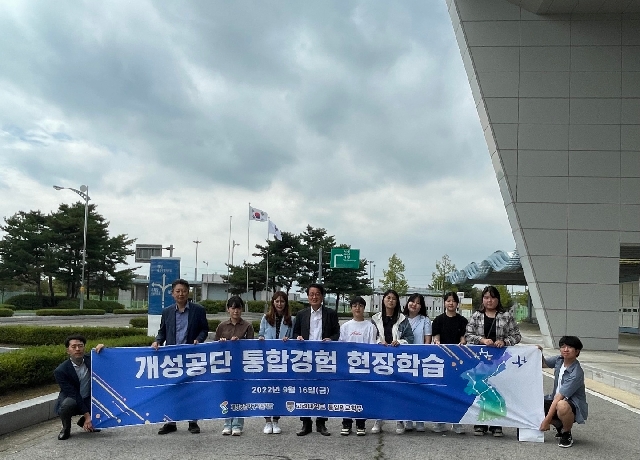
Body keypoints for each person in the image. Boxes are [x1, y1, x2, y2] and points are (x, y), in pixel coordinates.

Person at [152, 278, 209, 435]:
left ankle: (193, 422)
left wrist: (199, 339)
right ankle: (171, 422)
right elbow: (162, 331)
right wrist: (157, 341)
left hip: (191, 356)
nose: (181, 294)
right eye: (177, 291)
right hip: (172, 358)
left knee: (192, 389)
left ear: (188, 292)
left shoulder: (198, 310)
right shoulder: (167, 312)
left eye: (184, 291)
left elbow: (204, 329)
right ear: (172, 293)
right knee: (172, 390)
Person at [465, 285, 521, 437]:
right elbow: (468, 335)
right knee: (481, 389)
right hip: (480, 361)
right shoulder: (476, 316)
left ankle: (497, 423)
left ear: (498, 299)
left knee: (498, 389)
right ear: (482, 299)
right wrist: (482, 340)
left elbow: (516, 335)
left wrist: (504, 341)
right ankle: (480, 423)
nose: (489, 300)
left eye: (492, 297)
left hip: (499, 362)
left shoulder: (506, 316)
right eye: (486, 297)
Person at [292, 283, 340, 436]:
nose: (314, 297)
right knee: (305, 390)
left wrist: (331, 339)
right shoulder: (301, 314)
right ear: (308, 297)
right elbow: (295, 333)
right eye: (311, 294)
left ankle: (321, 423)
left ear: (322, 296)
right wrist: (298, 337)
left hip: (324, 357)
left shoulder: (331, 314)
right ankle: (306, 423)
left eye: (317, 294)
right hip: (305, 357)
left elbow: (337, 333)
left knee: (323, 390)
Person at [370, 289, 414, 434]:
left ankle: (399, 419)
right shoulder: (375, 318)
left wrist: (400, 342)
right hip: (379, 359)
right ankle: (379, 419)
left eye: (394, 298)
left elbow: (410, 338)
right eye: (388, 298)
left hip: (397, 359)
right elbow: (371, 336)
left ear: (397, 302)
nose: (391, 301)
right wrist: (379, 342)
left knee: (397, 389)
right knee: (379, 389)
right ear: (383, 300)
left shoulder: (402, 319)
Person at [215, 295, 255, 436]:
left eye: (238, 308)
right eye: (233, 308)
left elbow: (251, 347)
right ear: (228, 309)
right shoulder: (222, 326)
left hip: (240, 366)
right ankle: (227, 423)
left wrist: (240, 343)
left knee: (239, 395)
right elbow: (214, 347)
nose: (235, 311)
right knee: (226, 395)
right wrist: (222, 342)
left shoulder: (247, 326)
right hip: (225, 366)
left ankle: (237, 424)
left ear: (242, 309)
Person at [539, 336, 588, 448]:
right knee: (534, 402)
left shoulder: (576, 373)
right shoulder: (559, 360)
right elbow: (543, 364)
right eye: (563, 347)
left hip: (571, 405)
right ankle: (558, 424)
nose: (565, 349)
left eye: (570, 347)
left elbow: (558, 398)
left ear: (577, 351)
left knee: (562, 405)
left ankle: (566, 433)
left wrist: (546, 421)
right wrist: (538, 352)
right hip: (555, 400)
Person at [339, 296, 377, 436]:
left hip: (364, 367)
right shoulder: (345, 326)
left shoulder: (370, 327)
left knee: (362, 396)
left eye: (360, 305)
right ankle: (346, 423)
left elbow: (372, 347)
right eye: (354, 305)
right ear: (351, 308)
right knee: (347, 395)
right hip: (348, 367)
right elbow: (341, 347)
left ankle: (361, 424)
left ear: (364, 308)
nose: (357, 308)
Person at [54, 334, 104, 440]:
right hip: (72, 397)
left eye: (80, 346)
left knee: (107, 400)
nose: (77, 349)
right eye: (74, 346)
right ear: (68, 350)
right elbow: (74, 394)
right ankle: (66, 428)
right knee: (67, 404)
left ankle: (84, 422)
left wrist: (103, 349)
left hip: (88, 397)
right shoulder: (61, 371)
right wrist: (87, 416)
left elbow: (108, 360)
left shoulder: (92, 359)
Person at [258, 291, 295, 434]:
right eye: (277, 301)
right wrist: (261, 338)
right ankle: (267, 421)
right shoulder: (266, 318)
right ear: (273, 302)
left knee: (279, 391)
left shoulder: (291, 319)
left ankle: (276, 420)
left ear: (286, 303)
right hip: (267, 359)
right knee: (267, 390)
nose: (279, 304)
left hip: (282, 361)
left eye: (282, 301)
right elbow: (260, 334)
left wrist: (288, 340)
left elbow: (293, 339)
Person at [431, 291, 468, 434]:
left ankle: (456, 422)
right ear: (444, 303)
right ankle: (439, 421)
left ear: (457, 303)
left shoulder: (462, 321)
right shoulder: (438, 320)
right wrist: (437, 341)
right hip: (442, 360)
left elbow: (463, 337)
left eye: (453, 300)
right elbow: (436, 337)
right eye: (448, 300)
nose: (451, 303)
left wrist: (463, 341)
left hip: (458, 361)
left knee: (457, 390)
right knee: (441, 391)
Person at [401, 293, 432, 432]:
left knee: (419, 391)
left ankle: (420, 419)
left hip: (419, 360)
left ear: (421, 306)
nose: (414, 304)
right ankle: (407, 418)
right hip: (403, 360)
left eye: (418, 303)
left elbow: (427, 341)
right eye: (412, 301)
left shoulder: (425, 320)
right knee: (406, 391)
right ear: (407, 303)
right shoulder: (401, 319)